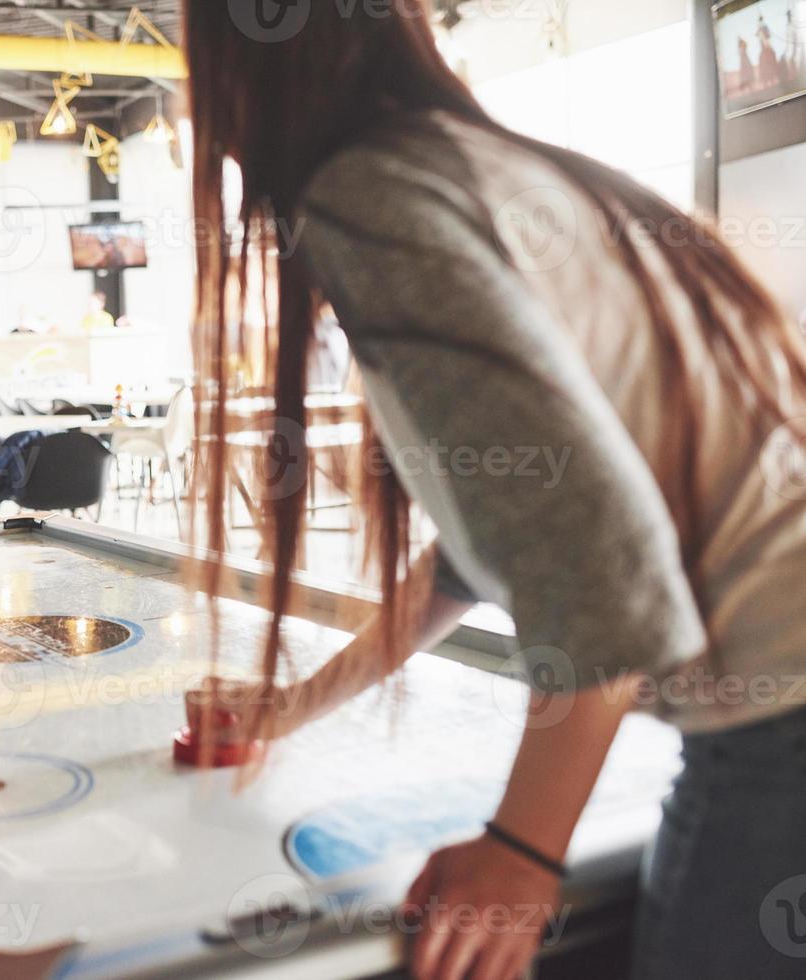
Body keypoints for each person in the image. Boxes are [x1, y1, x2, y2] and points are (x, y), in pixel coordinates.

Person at [180, 3, 806, 979]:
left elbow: (602, 563)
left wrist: (519, 849)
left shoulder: (365, 193)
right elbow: (478, 554)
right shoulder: (472, 161)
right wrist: (289, 703)